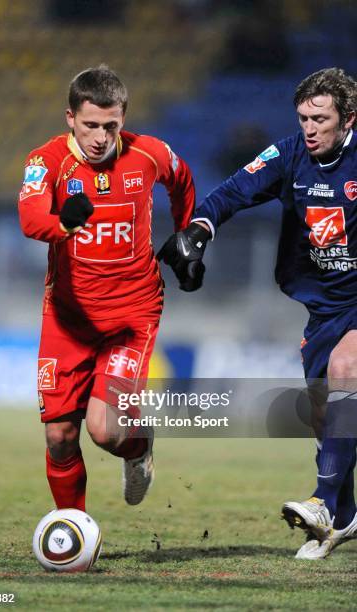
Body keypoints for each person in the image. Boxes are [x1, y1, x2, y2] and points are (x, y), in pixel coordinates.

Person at [158, 67, 357, 559]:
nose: (310, 128)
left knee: (345, 370)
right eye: (303, 117)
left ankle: (323, 503)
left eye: (321, 118)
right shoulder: (291, 154)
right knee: (323, 413)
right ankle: (345, 516)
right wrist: (199, 230)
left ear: (348, 118)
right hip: (324, 306)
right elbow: (233, 191)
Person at [18, 66, 195, 512]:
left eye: (110, 126)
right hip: (68, 318)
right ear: (70, 118)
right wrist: (63, 223)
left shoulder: (149, 154)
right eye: (90, 125)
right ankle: (72, 531)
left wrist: (187, 237)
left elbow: (183, 180)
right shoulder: (46, 161)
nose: (100, 137)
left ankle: (138, 447)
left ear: (123, 119)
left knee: (104, 430)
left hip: (131, 315)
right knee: (59, 435)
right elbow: (30, 218)